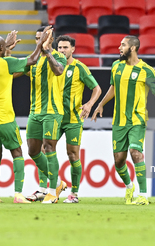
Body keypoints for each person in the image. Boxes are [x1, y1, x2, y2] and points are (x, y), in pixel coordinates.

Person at [0, 27, 50, 203]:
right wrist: (40, 44)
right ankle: (18, 194)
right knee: (17, 152)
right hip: (3, 118)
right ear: (1, 49)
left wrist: (6, 47)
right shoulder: (6, 64)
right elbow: (32, 60)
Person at [92, 35, 155, 205]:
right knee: (119, 161)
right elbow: (113, 88)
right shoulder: (116, 66)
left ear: (133, 48)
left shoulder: (147, 70)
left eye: (123, 45)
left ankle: (143, 195)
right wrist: (100, 104)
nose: (119, 48)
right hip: (119, 121)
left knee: (135, 153)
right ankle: (129, 186)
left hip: (137, 119)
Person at [49, 35, 102, 203]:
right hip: (54, 116)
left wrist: (89, 104)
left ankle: (74, 193)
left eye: (65, 47)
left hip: (73, 118)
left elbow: (97, 89)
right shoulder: (52, 66)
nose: (62, 50)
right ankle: (55, 185)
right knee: (45, 151)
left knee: (73, 155)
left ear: (73, 49)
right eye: (59, 48)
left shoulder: (80, 68)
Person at [24, 27, 68, 204]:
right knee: (33, 151)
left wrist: (48, 52)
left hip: (52, 111)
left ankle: (51, 192)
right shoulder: (33, 60)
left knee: (49, 148)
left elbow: (58, 71)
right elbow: (15, 72)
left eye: (42, 38)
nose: (39, 41)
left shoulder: (58, 57)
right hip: (35, 112)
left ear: (51, 40)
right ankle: (57, 182)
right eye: (36, 38)